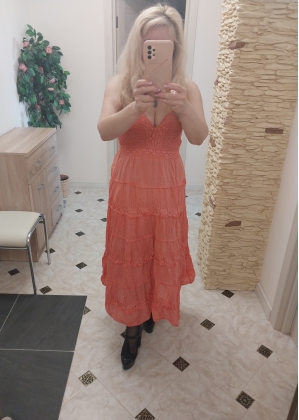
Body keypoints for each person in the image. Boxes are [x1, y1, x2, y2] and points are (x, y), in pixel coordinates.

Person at [97, 4, 208, 370]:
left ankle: (150, 308)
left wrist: (184, 107)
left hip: (167, 186)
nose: (158, 54)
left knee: (159, 249)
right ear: (139, 46)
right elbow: (104, 131)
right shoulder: (120, 85)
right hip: (130, 185)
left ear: (176, 49)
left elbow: (198, 137)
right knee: (132, 251)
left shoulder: (187, 88)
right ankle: (132, 327)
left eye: (166, 47)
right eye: (151, 46)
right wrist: (135, 107)